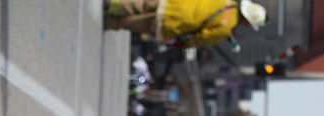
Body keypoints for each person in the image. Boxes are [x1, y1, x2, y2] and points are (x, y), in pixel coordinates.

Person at [104, 0, 267, 49]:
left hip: (173, 2)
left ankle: (113, 5)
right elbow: (200, 39)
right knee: (138, 23)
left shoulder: (227, 1)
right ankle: (111, 21)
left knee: (141, 4)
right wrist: (183, 44)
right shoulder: (226, 29)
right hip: (173, 24)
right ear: (247, 21)